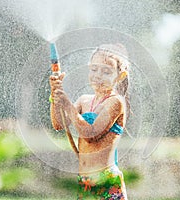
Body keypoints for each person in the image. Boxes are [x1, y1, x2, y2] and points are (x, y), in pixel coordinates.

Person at [49, 43, 130, 200]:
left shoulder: (115, 102)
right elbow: (58, 124)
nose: (98, 75)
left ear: (120, 76)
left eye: (106, 71)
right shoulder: (84, 100)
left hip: (106, 180)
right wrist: (55, 96)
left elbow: (90, 134)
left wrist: (67, 104)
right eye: (94, 69)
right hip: (85, 181)